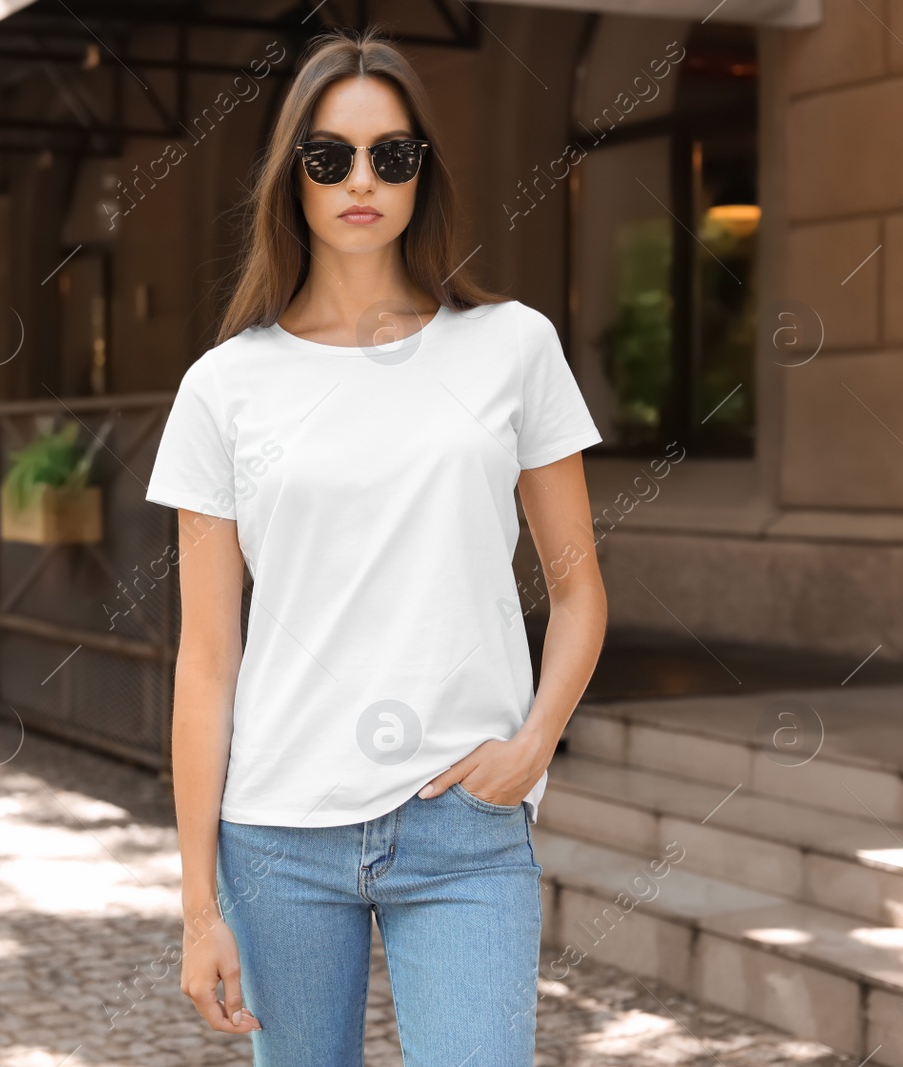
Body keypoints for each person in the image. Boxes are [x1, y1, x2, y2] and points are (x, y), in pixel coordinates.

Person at [142, 26, 608, 1067]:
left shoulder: (511, 347)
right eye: (330, 156)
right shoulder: (224, 387)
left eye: (391, 154)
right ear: (291, 179)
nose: (362, 179)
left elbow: (578, 592)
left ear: (421, 174)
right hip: (277, 836)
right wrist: (195, 902)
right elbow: (207, 657)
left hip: (465, 831)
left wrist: (533, 744)